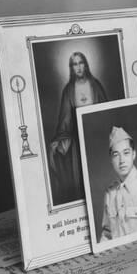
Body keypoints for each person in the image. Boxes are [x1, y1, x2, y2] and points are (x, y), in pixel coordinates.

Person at [49, 52, 108, 206]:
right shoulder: (68, 90)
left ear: (86, 64)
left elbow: (107, 112)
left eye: (81, 62)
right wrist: (59, 140)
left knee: (101, 175)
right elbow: (65, 120)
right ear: (71, 68)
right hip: (78, 141)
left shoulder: (96, 85)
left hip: (98, 137)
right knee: (83, 178)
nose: (78, 67)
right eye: (75, 64)